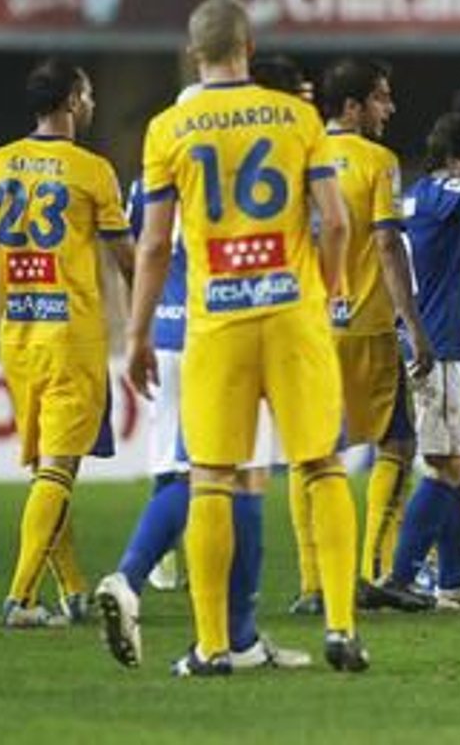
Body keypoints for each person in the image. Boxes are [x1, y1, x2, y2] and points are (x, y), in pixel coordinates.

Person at [123, 0, 367, 675]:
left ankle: (210, 649)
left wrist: (139, 333)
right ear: (249, 46)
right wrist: (330, 285)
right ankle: (343, 629)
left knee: (211, 478)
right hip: (293, 315)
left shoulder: (168, 127)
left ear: (193, 52)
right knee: (320, 465)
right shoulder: (297, 117)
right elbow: (337, 222)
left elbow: (151, 246)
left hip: (217, 323)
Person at [95, 60, 316, 671]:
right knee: (232, 478)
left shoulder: (164, 148)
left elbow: (150, 246)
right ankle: (185, 608)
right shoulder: (240, 139)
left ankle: (215, 626)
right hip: (220, 327)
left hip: (165, 332)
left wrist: (135, 329)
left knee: (182, 476)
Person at [0, 59, 133, 629]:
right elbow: (125, 256)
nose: (94, 104)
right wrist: (145, 311)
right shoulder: (91, 171)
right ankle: (22, 599)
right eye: (90, 94)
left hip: (18, 335)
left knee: (49, 472)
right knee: (57, 468)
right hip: (72, 336)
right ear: (73, 101)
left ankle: (73, 589)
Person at [372, 111, 460, 609]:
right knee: (446, 466)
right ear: (454, 162)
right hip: (437, 348)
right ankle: (400, 577)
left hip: (453, 345)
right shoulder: (437, 193)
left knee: (454, 461)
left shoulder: (438, 200)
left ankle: (452, 580)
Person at [318, 59, 436, 610]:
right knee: (399, 444)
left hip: (312, 328)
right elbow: (388, 246)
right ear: (352, 107)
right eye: (380, 99)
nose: (389, 109)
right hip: (365, 325)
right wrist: (414, 326)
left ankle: (313, 584)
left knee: (319, 454)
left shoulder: (302, 153)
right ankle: (375, 570)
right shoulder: (378, 163)